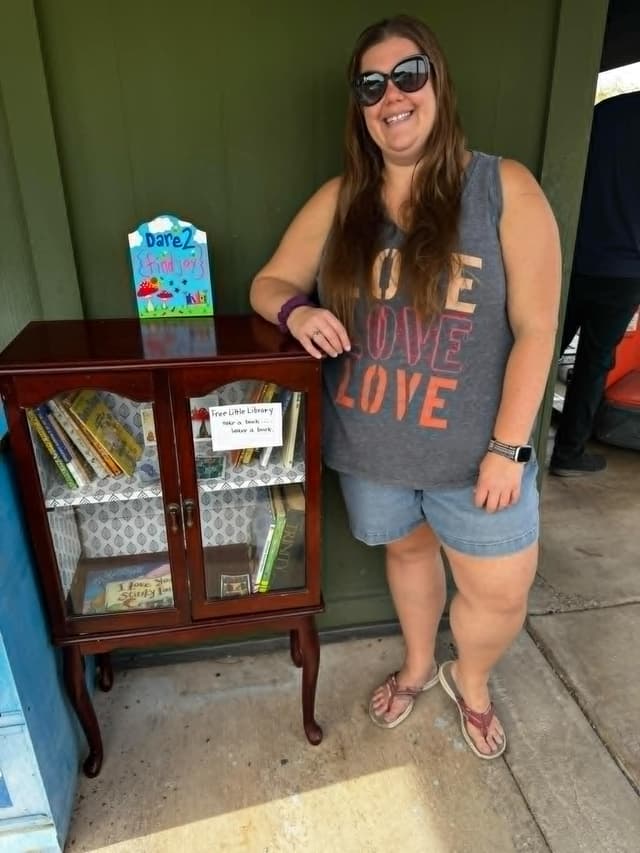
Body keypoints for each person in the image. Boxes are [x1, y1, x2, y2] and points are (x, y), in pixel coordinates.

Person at [250, 14, 560, 759]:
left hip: (477, 457)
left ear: (437, 83)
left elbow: (539, 328)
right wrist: (298, 312)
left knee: (500, 593)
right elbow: (269, 283)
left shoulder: (500, 187)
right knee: (410, 556)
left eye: (408, 74)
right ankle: (421, 665)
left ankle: (471, 679)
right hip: (373, 449)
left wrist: (509, 448)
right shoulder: (341, 200)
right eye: (372, 84)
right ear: (360, 107)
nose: (392, 94)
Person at [550, 90, 640, 476]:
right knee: (594, 362)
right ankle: (569, 453)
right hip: (625, 271)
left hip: (569, 256)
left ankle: (504, 441)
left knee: (537, 349)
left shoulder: (607, 112)